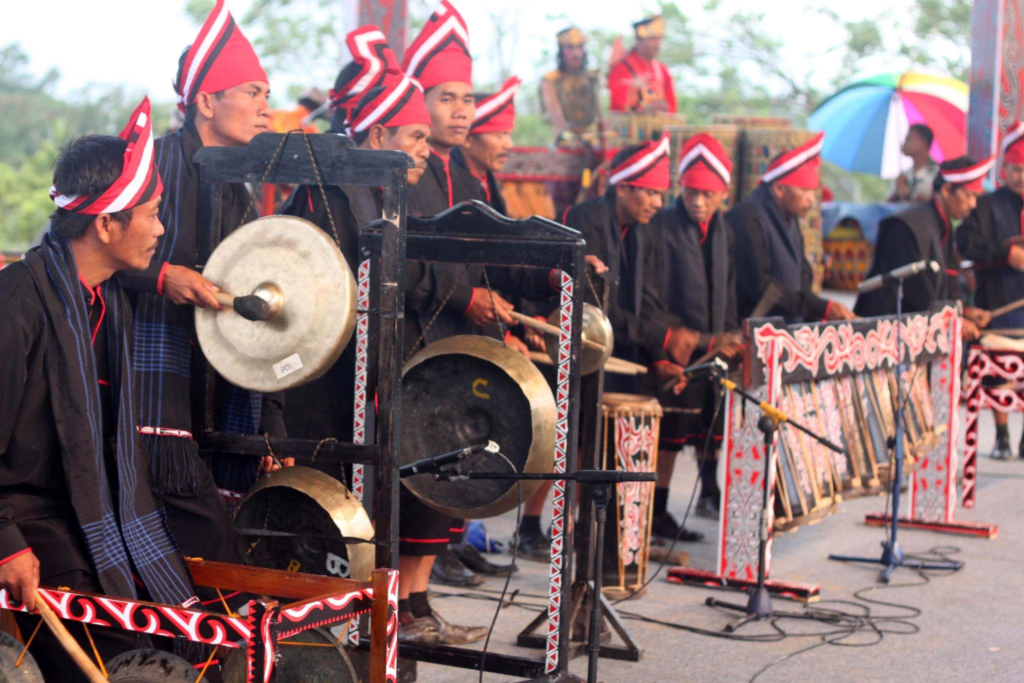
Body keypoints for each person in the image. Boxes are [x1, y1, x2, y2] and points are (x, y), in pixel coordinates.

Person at [0, 99, 200, 682]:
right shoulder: (18, 304)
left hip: (93, 502)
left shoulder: (107, 297)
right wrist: (7, 542)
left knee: (189, 614)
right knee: (120, 652)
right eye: (152, 214)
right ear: (107, 224)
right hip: (25, 512)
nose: (161, 230)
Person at [118, 0, 285, 573]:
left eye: (267, 94)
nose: (267, 108)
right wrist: (162, 276)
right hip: (139, 382)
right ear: (206, 102)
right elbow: (75, 250)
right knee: (191, 526)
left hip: (210, 380)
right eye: (254, 93)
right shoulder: (151, 163)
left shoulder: (238, 189)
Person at [281, 68, 432, 446]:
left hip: (356, 379)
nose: (426, 150)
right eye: (416, 137)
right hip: (316, 383)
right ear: (379, 135)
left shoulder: (383, 196)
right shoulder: (329, 192)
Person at [648, 134, 742, 533]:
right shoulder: (661, 227)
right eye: (690, 192)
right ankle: (653, 510)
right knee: (666, 433)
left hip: (711, 347)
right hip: (671, 348)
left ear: (724, 193)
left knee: (696, 429)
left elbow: (730, 288)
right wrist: (665, 346)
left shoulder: (723, 231)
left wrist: (732, 337)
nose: (698, 202)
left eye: (707, 194)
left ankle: (664, 511)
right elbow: (650, 293)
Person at [855, 156, 993, 343]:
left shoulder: (945, 226)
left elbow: (950, 278)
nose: (973, 205)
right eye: (969, 196)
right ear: (946, 190)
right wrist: (954, 321)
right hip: (882, 333)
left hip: (918, 330)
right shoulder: (907, 226)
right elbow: (915, 290)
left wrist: (964, 312)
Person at [730, 133, 856, 323]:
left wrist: (817, 311)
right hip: (750, 333)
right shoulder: (746, 218)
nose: (811, 199)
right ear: (780, 190)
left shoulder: (790, 220)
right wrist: (821, 307)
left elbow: (802, 277)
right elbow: (761, 286)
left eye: (813, 192)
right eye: (804, 190)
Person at [958, 125, 1024, 459]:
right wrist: (1004, 253)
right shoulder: (985, 205)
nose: (1021, 177)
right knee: (998, 372)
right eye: (1016, 170)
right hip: (995, 305)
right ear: (1005, 171)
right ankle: (1001, 435)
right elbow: (966, 243)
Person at [453, 76, 521, 216]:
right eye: (499, 135)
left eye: (508, 135)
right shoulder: (451, 185)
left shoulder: (486, 179)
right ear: (467, 139)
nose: (509, 144)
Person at [608, 15, 677, 114]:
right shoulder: (622, 67)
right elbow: (618, 104)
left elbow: (672, 108)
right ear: (638, 40)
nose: (657, 44)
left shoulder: (662, 70)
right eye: (652, 39)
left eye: (659, 39)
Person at [540, 26, 602, 137]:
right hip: (565, 141)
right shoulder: (551, 81)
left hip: (593, 139)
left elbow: (600, 115)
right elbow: (557, 119)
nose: (576, 54)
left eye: (579, 47)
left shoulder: (592, 78)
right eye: (570, 48)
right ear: (561, 51)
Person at [889, 124, 940, 202]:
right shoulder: (904, 175)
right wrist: (896, 192)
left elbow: (937, 205)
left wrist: (909, 194)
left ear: (923, 142)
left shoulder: (937, 173)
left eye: (909, 138)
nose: (905, 143)